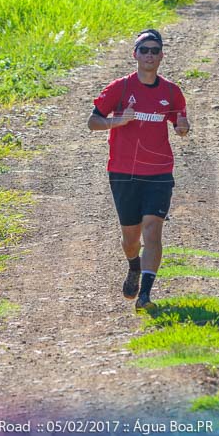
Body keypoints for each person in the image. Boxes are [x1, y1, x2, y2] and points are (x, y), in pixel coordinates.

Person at [88, 29, 190, 312]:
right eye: (144, 50)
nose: (149, 55)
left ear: (161, 56)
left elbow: (180, 123)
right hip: (123, 171)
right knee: (131, 239)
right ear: (135, 54)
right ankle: (134, 265)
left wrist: (183, 128)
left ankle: (145, 294)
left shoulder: (171, 92)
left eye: (154, 50)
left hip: (158, 172)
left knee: (153, 231)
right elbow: (92, 121)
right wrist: (116, 121)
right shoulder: (120, 88)